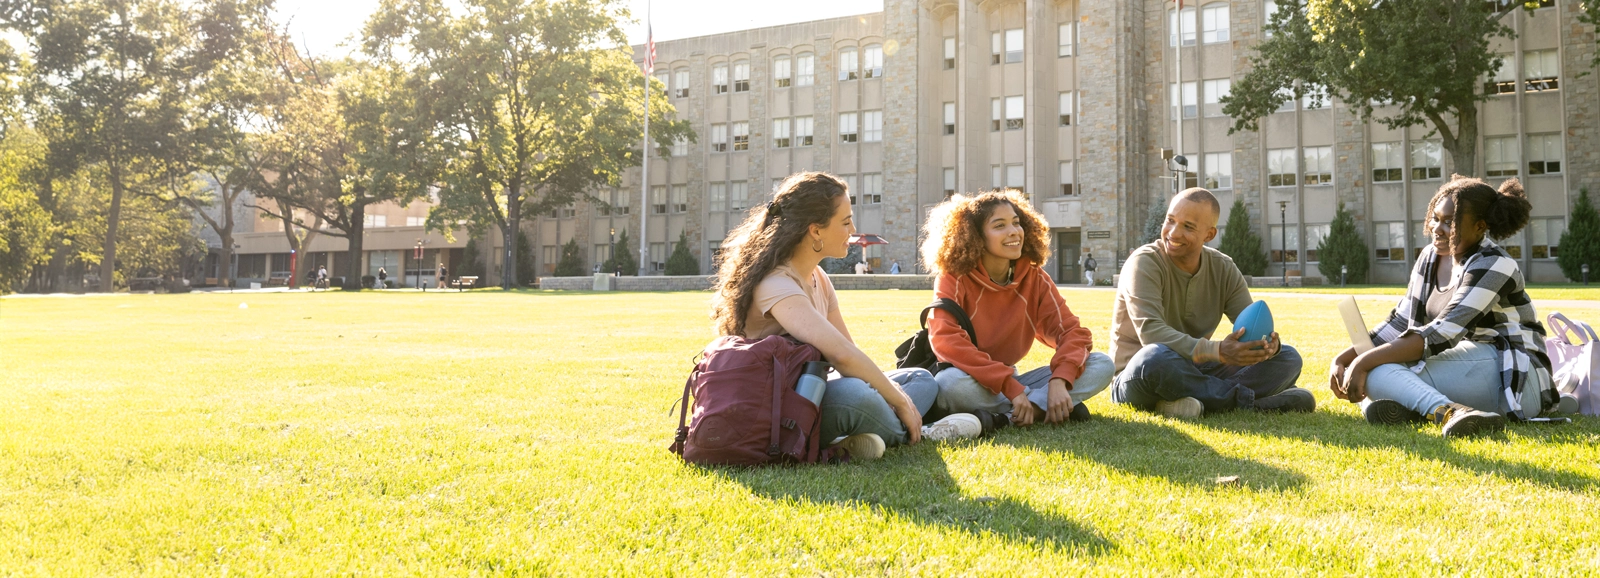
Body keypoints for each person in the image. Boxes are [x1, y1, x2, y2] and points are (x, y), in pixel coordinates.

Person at [709, 171, 982, 461]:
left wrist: (891, 393)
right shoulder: (775, 284)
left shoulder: (818, 277)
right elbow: (840, 356)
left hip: (814, 393)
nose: (853, 228)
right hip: (776, 410)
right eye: (845, 221)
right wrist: (896, 401)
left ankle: (855, 437)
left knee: (920, 379)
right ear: (816, 230)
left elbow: (849, 350)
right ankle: (922, 432)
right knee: (858, 395)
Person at [1330, 177, 1561, 437]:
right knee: (1375, 372)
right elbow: (1400, 322)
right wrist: (1344, 359)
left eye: (1449, 222)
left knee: (1376, 374)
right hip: (1468, 363)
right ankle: (1430, 408)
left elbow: (1443, 333)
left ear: (1479, 226)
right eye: (1435, 218)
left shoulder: (1495, 265)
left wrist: (1362, 363)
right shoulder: (1430, 256)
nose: (1437, 228)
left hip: (1513, 372)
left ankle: (1451, 412)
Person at [1109, 188, 1311, 418]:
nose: (1173, 233)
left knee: (1287, 357)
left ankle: (1190, 401)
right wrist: (1218, 351)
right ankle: (1253, 403)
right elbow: (1151, 334)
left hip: (1196, 369)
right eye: (1170, 220)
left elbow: (1250, 327)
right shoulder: (1144, 263)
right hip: (1139, 374)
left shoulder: (1222, 267)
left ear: (1209, 234)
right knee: (1156, 357)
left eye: (1188, 226)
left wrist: (1267, 346)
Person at [921, 190, 1116, 426]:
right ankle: (1045, 409)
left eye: (1016, 223)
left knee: (1102, 364)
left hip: (1010, 383)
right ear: (976, 237)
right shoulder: (954, 277)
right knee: (949, 384)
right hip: (972, 378)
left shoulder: (1034, 278)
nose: (1014, 231)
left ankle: (1008, 417)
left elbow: (1072, 333)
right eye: (999, 225)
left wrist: (1060, 380)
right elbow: (945, 340)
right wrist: (1009, 386)